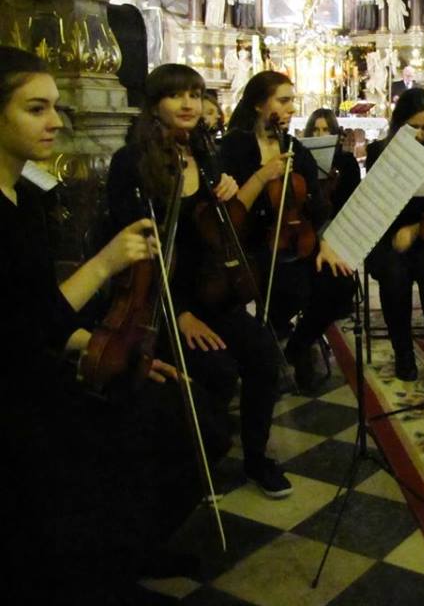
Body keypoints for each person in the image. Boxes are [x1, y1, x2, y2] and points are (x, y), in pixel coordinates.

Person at [0, 46, 229, 603]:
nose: (56, 120)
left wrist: (111, 347)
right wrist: (105, 262)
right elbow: (22, 326)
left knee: (198, 420)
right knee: (129, 437)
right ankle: (100, 566)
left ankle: (134, 544)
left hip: (41, 361)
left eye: (55, 106)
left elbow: (36, 316)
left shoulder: (27, 192)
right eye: (36, 108)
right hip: (17, 393)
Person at [107, 63, 293, 499]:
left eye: (195, 93)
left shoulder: (206, 153)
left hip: (215, 293)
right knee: (218, 369)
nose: (189, 103)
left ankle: (255, 458)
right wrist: (182, 313)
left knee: (266, 358)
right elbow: (135, 254)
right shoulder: (130, 163)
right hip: (165, 303)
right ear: (154, 105)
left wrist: (229, 195)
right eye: (176, 95)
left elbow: (222, 231)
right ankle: (197, 465)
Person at [220, 72, 334, 392]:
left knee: (339, 284)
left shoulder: (294, 147)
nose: (290, 109)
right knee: (293, 287)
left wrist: (318, 225)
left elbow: (317, 203)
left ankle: (297, 346)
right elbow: (230, 214)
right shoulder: (234, 147)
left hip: (297, 240)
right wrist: (263, 175)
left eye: (291, 102)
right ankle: (270, 341)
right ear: (259, 105)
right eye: (283, 101)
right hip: (252, 243)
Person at [366, 88, 424, 389]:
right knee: (394, 272)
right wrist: (400, 231)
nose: (421, 134)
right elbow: (377, 206)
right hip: (387, 232)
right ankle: (403, 352)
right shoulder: (379, 151)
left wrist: (416, 230)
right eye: (414, 127)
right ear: (398, 124)